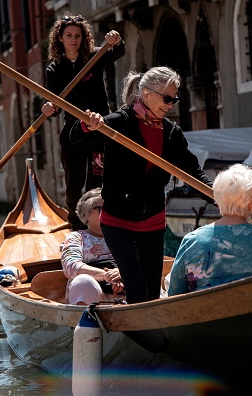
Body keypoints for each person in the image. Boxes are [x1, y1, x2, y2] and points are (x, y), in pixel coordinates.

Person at [70, 66, 214, 304]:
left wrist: (217, 196)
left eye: (175, 99)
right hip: (118, 222)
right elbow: (77, 137)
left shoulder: (171, 133)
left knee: (152, 292)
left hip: (153, 220)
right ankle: (137, 336)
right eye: (167, 98)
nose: (171, 104)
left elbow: (192, 171)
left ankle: (152, 334)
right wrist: (88, 123)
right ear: (146, 93)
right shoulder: (119, 123)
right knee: (136, 287)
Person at [41, 14, 125, 231]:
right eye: (69, 35)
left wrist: (116, 39)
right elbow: (53, 102)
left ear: (83, 37)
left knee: (96, 183)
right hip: (73, 134)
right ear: (60, 38)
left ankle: (98, 228)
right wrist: (48, 107)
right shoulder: (54, 69)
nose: (74, 39)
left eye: (78, 35)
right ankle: (76, 229)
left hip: (99, 130)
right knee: (73, 186)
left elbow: (119, 51)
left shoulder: (95, 57)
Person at [167, 164, 252, 296]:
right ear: (250, 204)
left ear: (219, 201)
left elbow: (175, 293)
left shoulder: (193, 240)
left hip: (203, 312)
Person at [60, 188, 124, 305]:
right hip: (95, 294)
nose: (108, 212)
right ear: (87, 213)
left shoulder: (124, 236)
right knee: (83, 282)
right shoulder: (77, 237)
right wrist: (107, 275)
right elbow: (71, 267)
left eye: (111, 208)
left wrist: (121, 273)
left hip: (126, 291)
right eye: (101, 208)